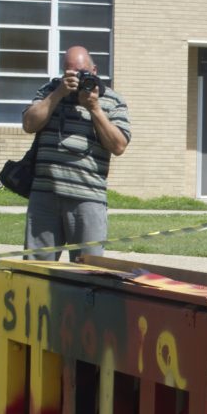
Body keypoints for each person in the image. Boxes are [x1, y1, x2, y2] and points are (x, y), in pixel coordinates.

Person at [22, 45, 131, 261]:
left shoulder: (112, 100)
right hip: (45, 196)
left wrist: (95, 108)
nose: (78, 78)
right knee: (38, 269)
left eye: (83, 72)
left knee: (88, 270)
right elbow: (29, 124)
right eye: (71, 72)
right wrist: (59, 93)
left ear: (95, 70)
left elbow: (118, 146)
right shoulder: (49, 91)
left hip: (88, 199)